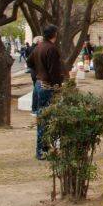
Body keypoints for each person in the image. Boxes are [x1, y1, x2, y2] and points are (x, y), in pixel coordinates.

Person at [27, 25, 64, 160]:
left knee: (42, 117)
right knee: (45, 118)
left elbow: (29, 62)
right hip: (47, 86)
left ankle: (45, 147)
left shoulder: (39, 46)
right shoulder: (51, 49)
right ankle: (41, 150)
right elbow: (54, 71)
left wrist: (39, 73)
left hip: (38, 84)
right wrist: (58, 85)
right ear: (54, 34)